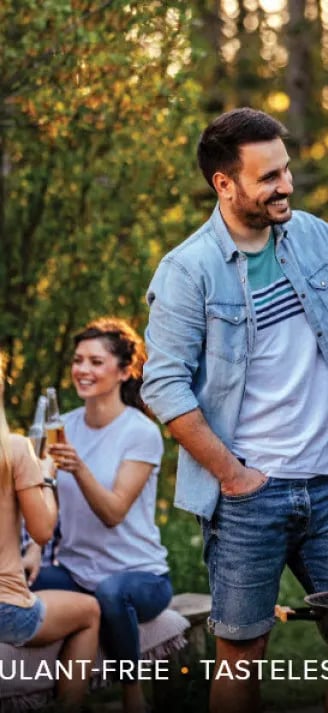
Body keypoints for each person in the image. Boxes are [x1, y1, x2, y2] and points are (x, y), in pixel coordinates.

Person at [141, 107, 328, 713]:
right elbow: (163, 387)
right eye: (268, 176)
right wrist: (234, 476)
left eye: (286, 170)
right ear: (225, 183)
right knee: (241, 658)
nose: (286, 186)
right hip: (251, 496)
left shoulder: (313, 236)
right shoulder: (187, 271)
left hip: (327, 479)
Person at [27, 317, 172, 713]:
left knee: (111, 593)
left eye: (95, 361)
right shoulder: (65, 425)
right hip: (75, 571)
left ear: (124, 371)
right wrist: (35, 548)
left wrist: (80, 468)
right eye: (78, 360)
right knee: (15, 582)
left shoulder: (140, 432)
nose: (83, 370)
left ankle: (131, 696)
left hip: (138, 577)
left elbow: (113, 512)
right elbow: (41, 498)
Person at [0, 352, 100, 711]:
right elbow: (42, 531)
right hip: (5, 610)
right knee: (89, 610)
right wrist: (46, 476)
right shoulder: (13, 450)